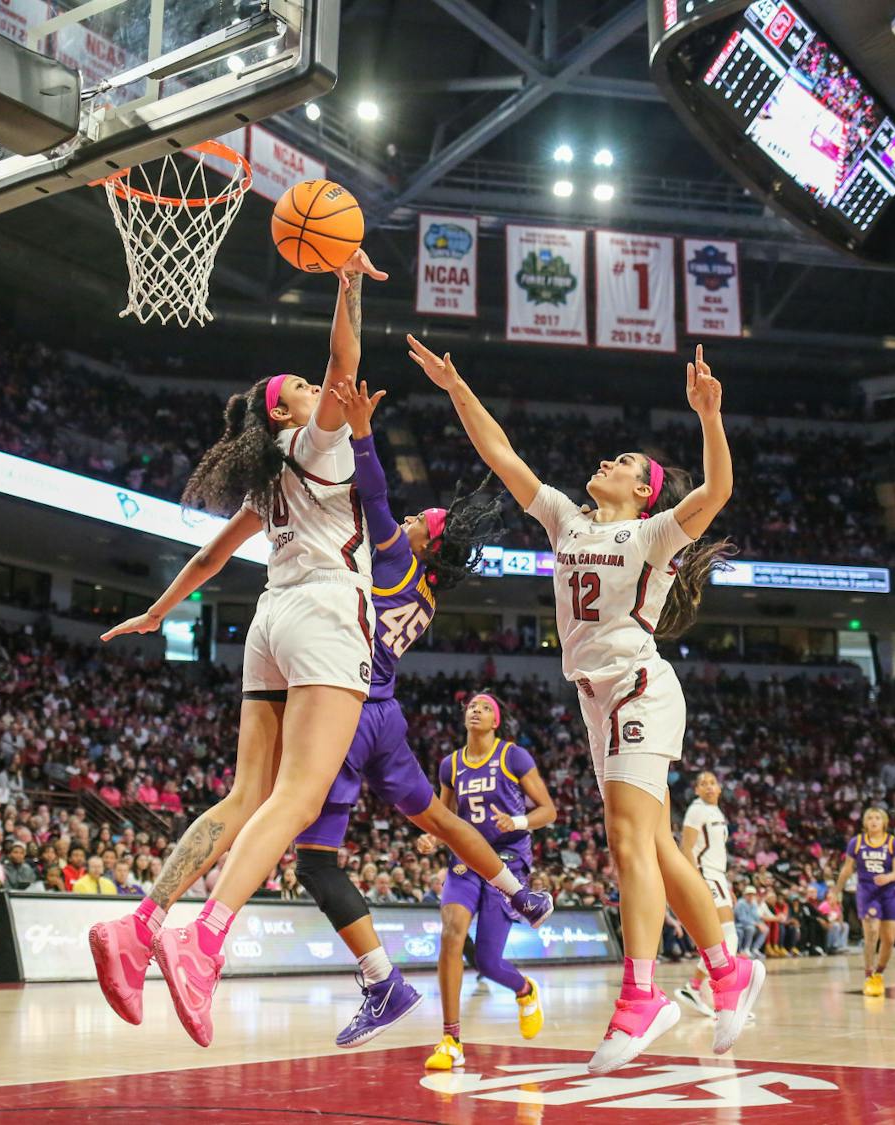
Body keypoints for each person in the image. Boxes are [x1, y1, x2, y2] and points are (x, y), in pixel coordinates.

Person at [408, 336, 762, 1075]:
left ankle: (642, 996)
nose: (610, 460)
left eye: (627, 462)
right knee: (657, 851)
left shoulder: (655, 531)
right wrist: (455, 386)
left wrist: (710, 415)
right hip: (596, 702)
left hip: (640, 688)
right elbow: (502, 456)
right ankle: (727, 970)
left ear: (643, 492)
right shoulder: (567, 519)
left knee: (631, 844)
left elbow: (718, 491)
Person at [90, 251, 394, 1048]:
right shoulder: (321, 443)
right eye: (297, 386)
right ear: (288, 411)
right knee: (295, 798)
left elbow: (209, 559)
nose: (310, 384)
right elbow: (343, 360)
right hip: (325, 612)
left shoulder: (267, 477)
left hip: (269, 621)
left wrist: (158, 612)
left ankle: (142, 922)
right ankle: (205, 937)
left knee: (246, 792)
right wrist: (349, 282)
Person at [287, 382, 550, 1052]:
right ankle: (518, 890)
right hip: (388, 716)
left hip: (349, 707)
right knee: (440, 816)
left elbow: (372, 496)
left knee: (314, 861)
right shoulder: (427, 598)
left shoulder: (398, 557)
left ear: (425, 541)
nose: (403, 520)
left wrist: (363, 433)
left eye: (416, 521)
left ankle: (380, 979)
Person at [416, 694, 557, 1071]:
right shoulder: (450, 765)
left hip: (507, 858)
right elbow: (444, 816)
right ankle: (451, 1039)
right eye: (470, 706)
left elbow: (548, 810)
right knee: (451, 932)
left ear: (495, 721)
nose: (474, 710)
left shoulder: (513, 756)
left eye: (484, 707)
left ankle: (525, 991)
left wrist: (518, 822)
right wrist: (432, 836)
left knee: (488, 962)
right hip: (465, 859)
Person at [674, 771, 735, 1019]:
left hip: (718, 876)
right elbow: (685, 847)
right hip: (707, 876)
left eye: (712, 782)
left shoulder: (717, 813)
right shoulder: (697, 809)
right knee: (728, 937)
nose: (708, 786)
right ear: (697, 790)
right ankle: (706, 991)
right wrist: (696, 878)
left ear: (719, 788)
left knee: (723, 938)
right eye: (702, 783)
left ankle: (700, 988)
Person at [834, 807, 895, 998]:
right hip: (867, 892)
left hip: (889, 892)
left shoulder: (893, 843)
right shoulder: (856, 843)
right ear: (865, 823)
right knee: (871, 933)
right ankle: (868, 974)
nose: (874, 821)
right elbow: (847, 869)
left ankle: (879, 973)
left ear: (884, 822)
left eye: (877, 818)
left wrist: (888, 877)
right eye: (870, 818)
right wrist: (836, 890)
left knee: (889, 939)